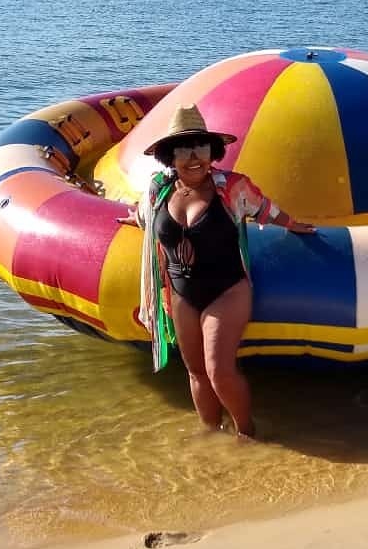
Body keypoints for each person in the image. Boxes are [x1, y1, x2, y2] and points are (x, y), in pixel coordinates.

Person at [118, 104, 315, 438]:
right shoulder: (158, 190)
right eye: (183, 148)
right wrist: (133, 220)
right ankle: (211, 437)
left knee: (218, 371)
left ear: (213, 151)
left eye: (201, 146)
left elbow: (265, 209)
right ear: (169, 155)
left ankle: (247, 434)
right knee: (195, 371)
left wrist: (295, 225)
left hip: (227, 290)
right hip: (180, 293)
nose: (194, 157)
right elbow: (145, 216)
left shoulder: (232, 187)